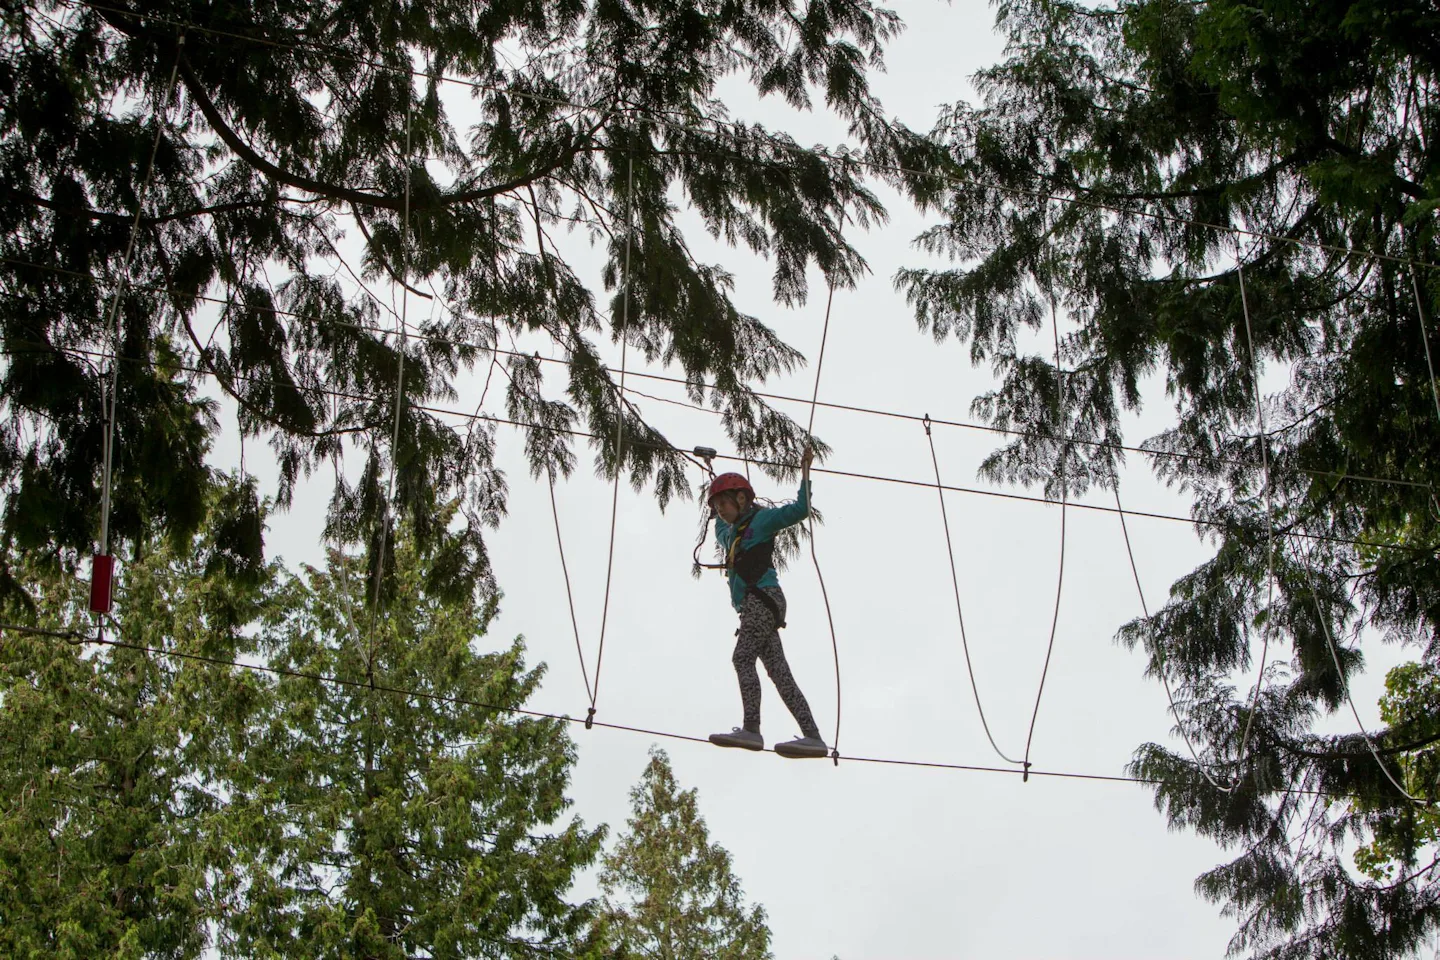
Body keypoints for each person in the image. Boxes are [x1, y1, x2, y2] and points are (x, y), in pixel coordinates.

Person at [706, 449, 827, 759]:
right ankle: (813, 736)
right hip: (756, 606)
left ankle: (752, 729)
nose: (720, 511)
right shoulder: (729, 535)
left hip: (763, 598)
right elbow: (719, 528)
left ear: (742, 499)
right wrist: (711, 476)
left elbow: (800, 509)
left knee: (742, 658)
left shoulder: (761, 521)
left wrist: (804, 474)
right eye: (716, 507)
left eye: (724, 504)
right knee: (779, 673)